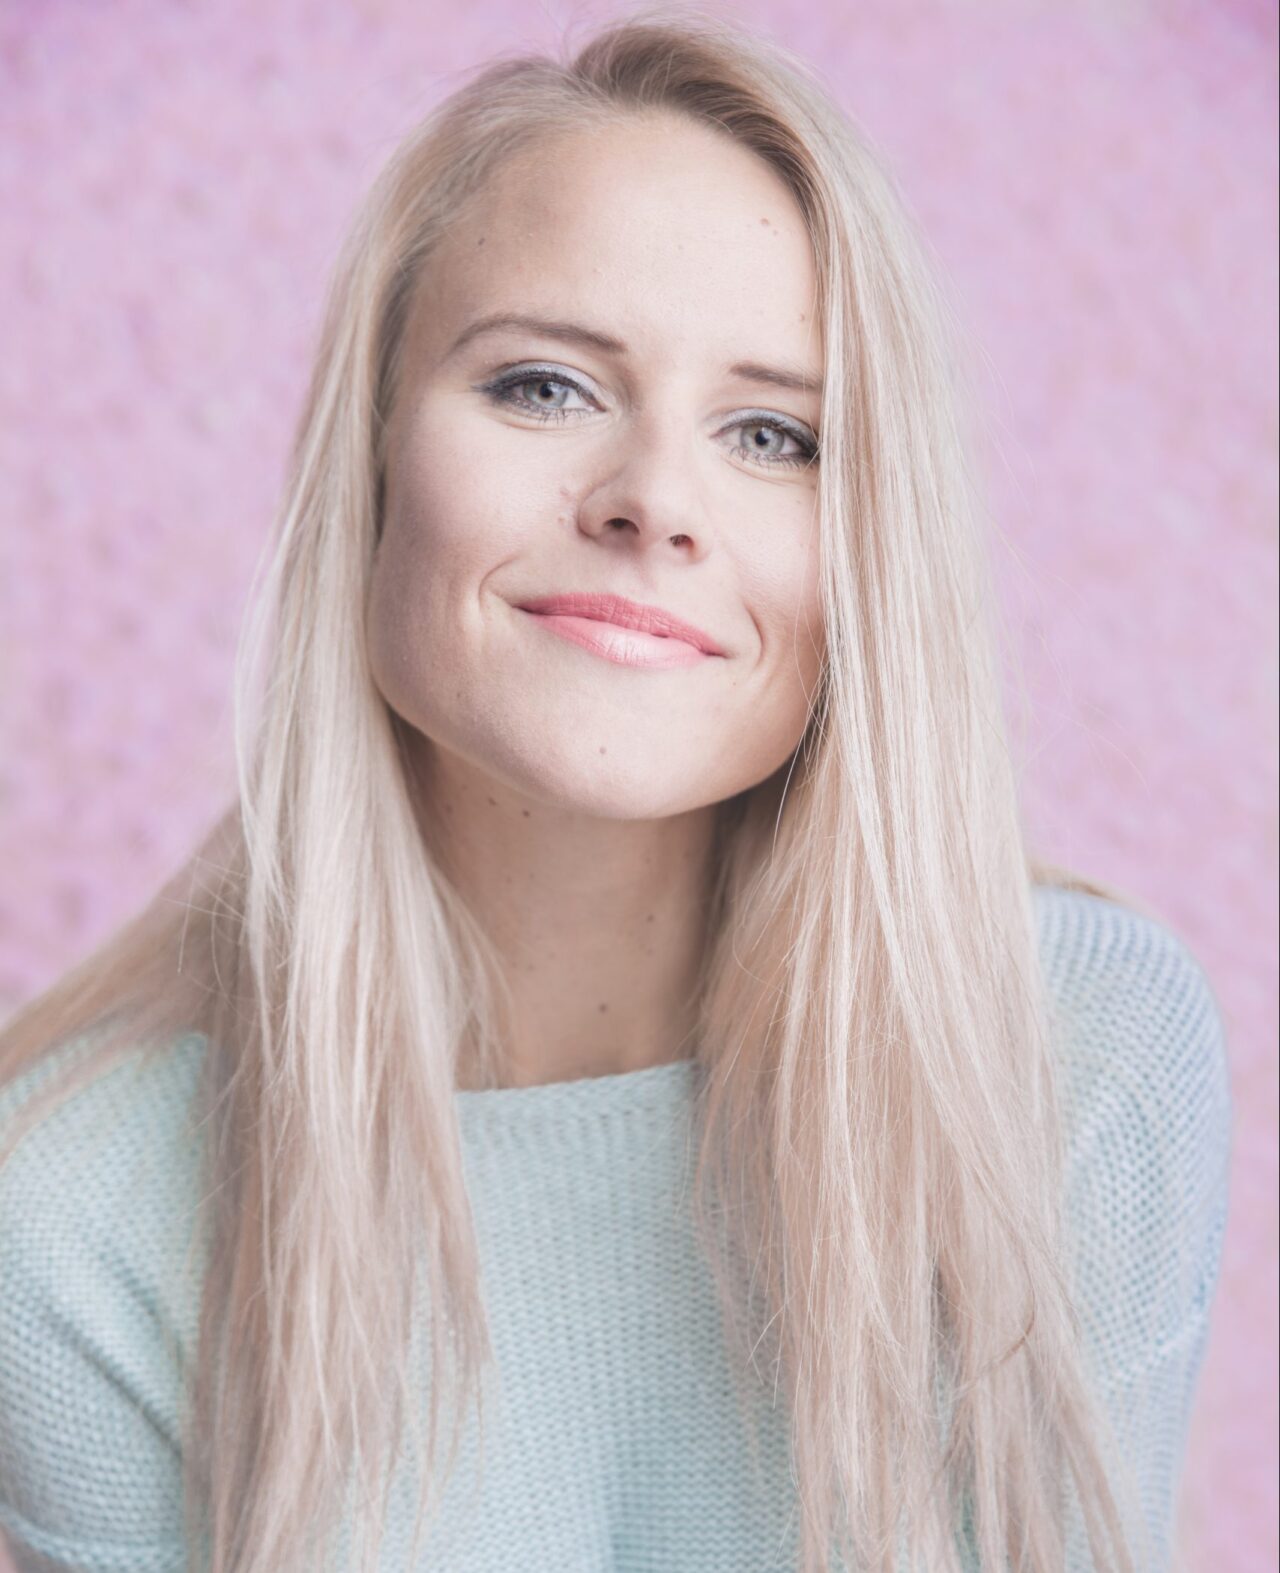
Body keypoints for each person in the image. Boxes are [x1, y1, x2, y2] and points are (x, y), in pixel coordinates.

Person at [0, 9, 1232, 1573]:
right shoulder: (77, 1224)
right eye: (543, 387)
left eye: (774, 433)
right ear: (370, 467)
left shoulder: (1074, 1061)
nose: (655, 499)